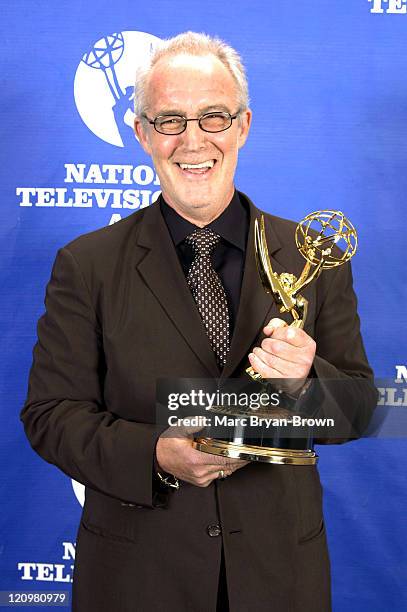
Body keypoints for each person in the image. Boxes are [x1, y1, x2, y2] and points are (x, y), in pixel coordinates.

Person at [21, 32, 377, 612]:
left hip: (280, 576)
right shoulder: (87, 265)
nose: (194, 140)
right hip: (137, 579)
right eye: (170, 120)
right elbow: (49, 416)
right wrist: (155, 455)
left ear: (243, 126)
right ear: (141, 133)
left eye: (214, 117)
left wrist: (304, 385)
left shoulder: (311, 255)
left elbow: (361, 408)